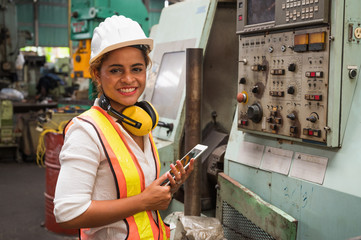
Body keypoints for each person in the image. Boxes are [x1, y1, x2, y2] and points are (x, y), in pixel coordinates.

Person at [53, 15, 194, 240]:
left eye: (137, 69)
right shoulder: (87, 131)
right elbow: (67, 212)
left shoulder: (139, 122)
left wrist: (165, 188)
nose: (129, 79)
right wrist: (144, 201)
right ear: (97, 74)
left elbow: (131, 190)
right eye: (116, 70)